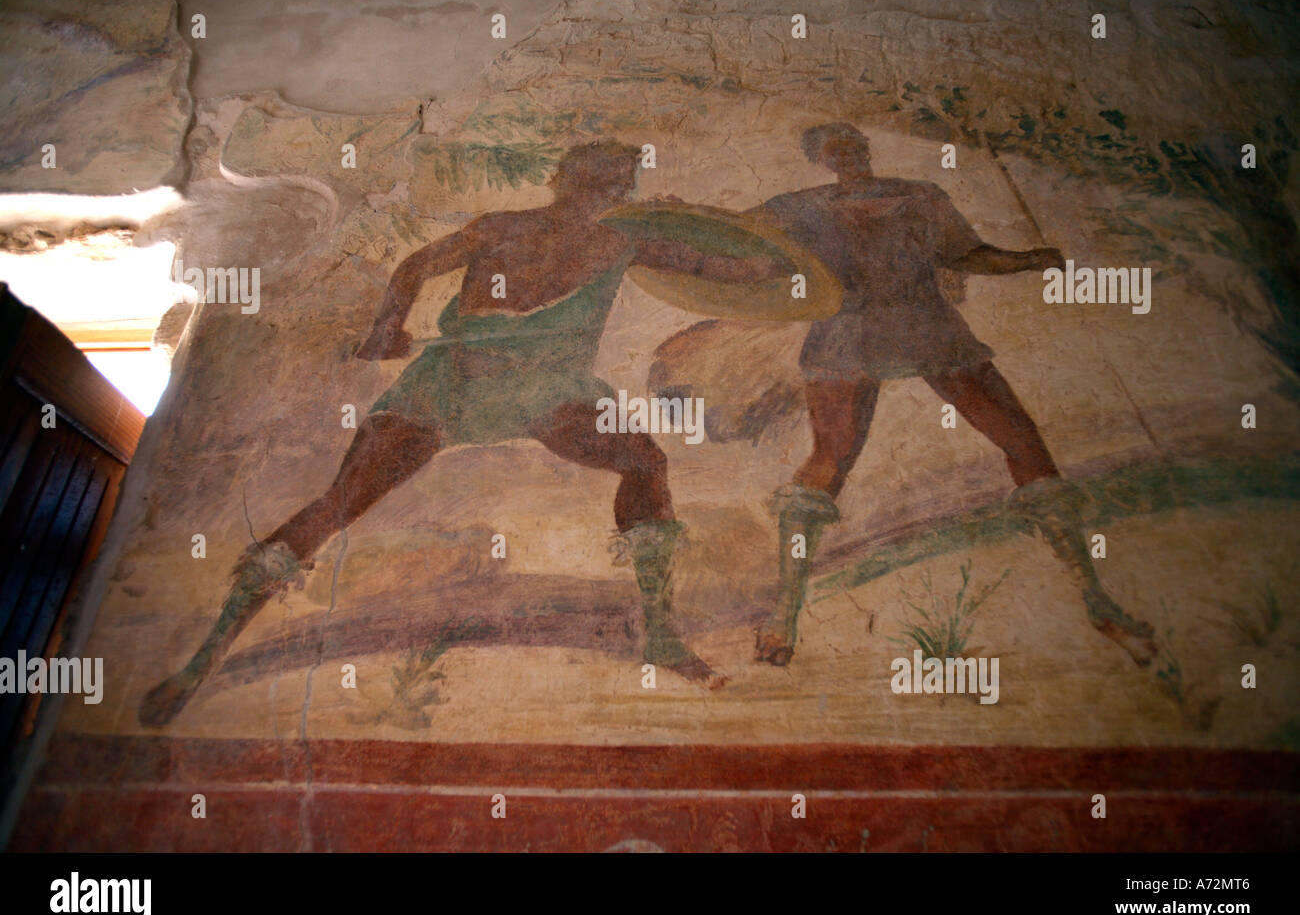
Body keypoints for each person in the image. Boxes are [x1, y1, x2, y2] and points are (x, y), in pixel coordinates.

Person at [140, 141, 788, 726]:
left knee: (644, 463)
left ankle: (662, 636)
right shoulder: (524, 230)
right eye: (599, 179)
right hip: (457, 381)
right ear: (565, 178)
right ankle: (204, 657)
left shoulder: (624, 239)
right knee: (340, 502)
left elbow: (748, 272)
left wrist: (699, 222)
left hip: (544, 390)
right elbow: (416, 267)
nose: (603, 191)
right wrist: (384, 328)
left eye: (614, 182)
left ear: (618, 191)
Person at [752, 123, 1160, 668]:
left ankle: (1095, 594)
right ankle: (784, 614)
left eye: (853, 142)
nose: (847, 151)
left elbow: (966, 254)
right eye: (832, 146)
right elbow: (734, 241)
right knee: (829, 460)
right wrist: (676, 217)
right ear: (819, 158)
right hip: (848, 332)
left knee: (1022, 439)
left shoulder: (921, 195)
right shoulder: (797, 206)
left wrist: (1026, 259)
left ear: (866, 148)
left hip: (929, 325)